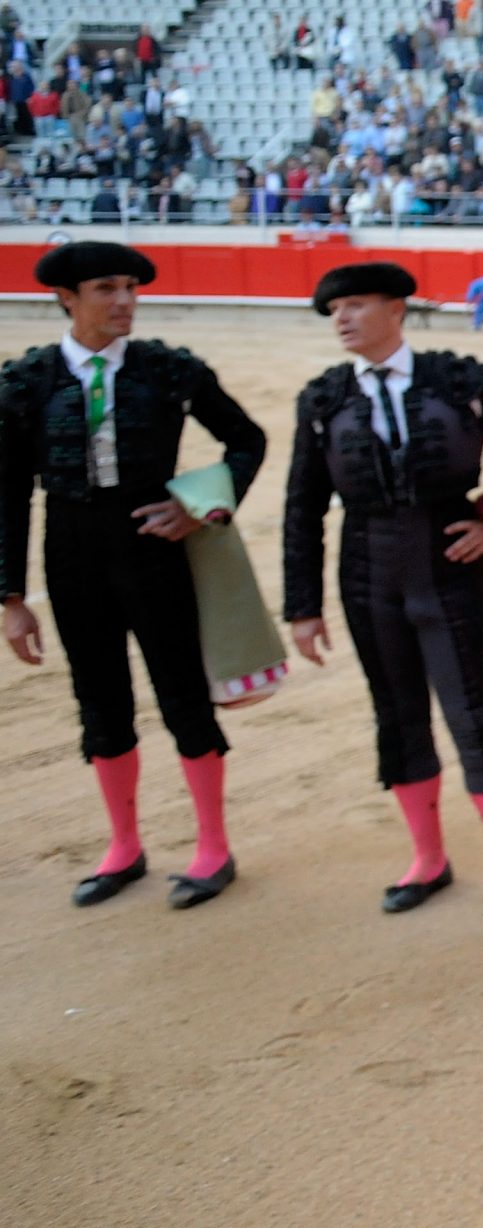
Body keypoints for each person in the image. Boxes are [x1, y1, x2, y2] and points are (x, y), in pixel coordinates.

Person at [283, 263, 483, 926]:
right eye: (335, 310)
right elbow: (303, 506)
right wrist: (302, 606)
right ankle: (427, 861)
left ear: (396, 309)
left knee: (473, 716)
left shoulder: (459, 379)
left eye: (355, 304)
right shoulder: (323, 398)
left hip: (448, 568)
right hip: (367, 576)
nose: (343, 318)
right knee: (397, 715)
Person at [1, 242, 266, 909]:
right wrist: (8, 594)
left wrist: (197, 505)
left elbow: (246, 439)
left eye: (130, 287)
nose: (123, 301)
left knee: (182, 694)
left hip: (155, 546)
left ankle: (213, 847)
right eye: (105, 288)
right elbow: (7, 492)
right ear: (67, 298)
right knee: (99, 698)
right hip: (72, 551)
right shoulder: (27, 382)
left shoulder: (169, 370)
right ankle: (124, 845)